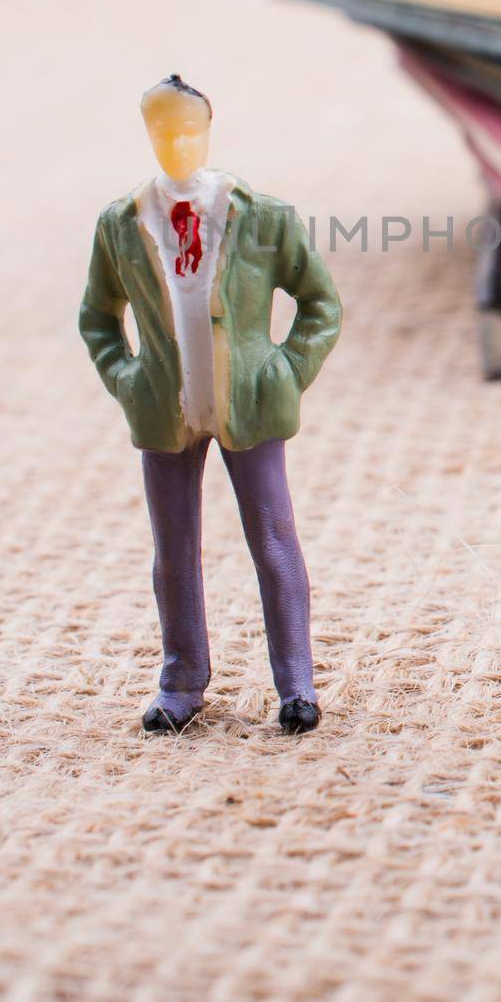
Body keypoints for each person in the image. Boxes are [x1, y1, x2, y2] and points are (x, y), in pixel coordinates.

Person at [79, 74, 342, 734]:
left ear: (208, 130)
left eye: (188, 129)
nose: (177, 143)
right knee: (174, 549)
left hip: (249, 406)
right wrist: (127, 379)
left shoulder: (262, 217)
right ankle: (181, 681)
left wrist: (284, 370)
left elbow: (320, 304)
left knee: (274, 541)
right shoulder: (120, 224)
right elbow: (97, 318)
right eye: (163, 131)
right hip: (165, 410)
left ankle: (296, 684)